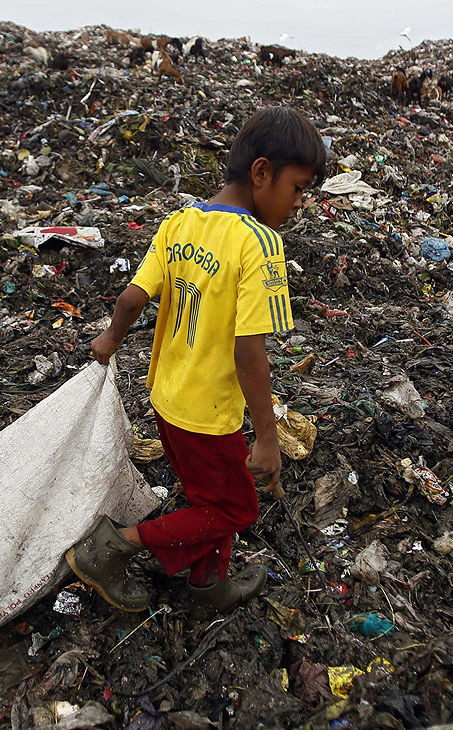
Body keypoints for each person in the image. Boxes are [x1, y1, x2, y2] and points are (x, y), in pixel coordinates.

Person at [65, 107, 327, 616]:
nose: (299, 204)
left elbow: (131, 299)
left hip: (165, 397)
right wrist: (268, 437)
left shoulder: (180, 222)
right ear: (262, 173)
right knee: (236, 507)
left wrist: (109, 340)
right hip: (209, 416)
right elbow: (248, 350)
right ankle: (114, 546)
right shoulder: (260, 244)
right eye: (297, 189)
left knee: (210, 499)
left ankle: (209, 585)